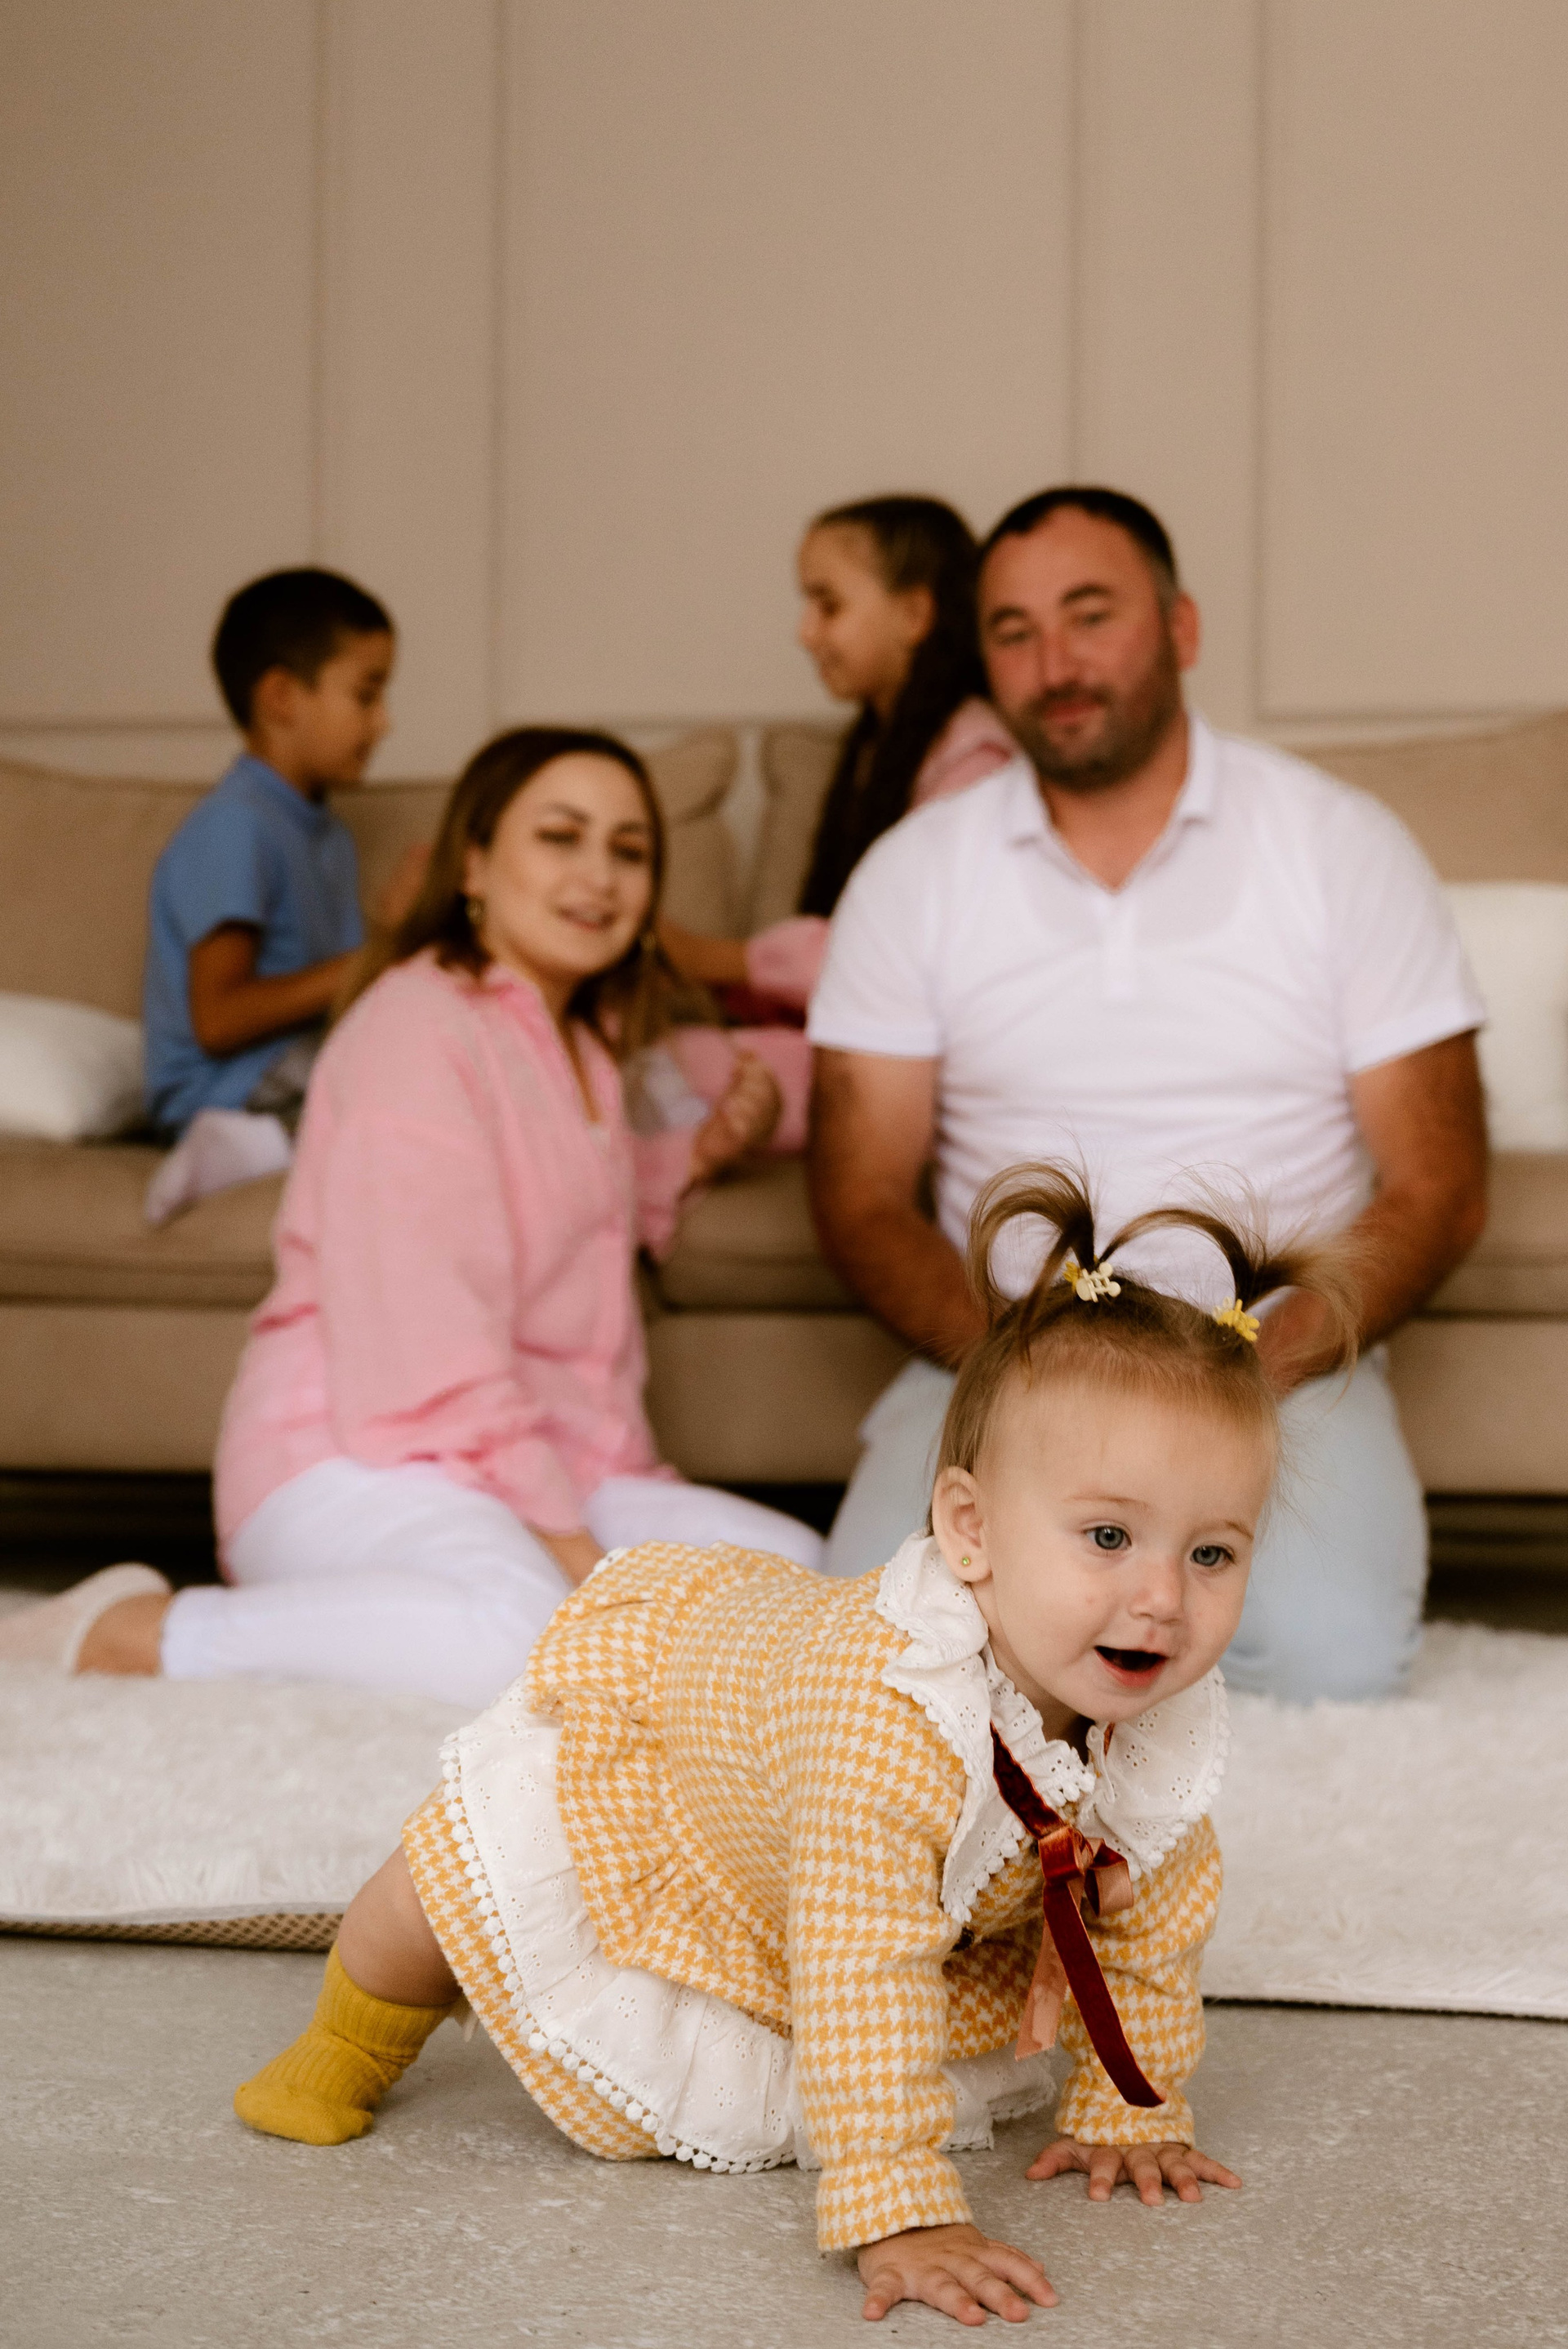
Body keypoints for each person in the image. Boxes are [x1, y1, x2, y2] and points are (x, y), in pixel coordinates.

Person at [229, 1166, 1356, 2324]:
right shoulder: (890, 1727)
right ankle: (347, 2034)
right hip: (698, 1746)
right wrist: (901, 2206)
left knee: (979, 1929)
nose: (1163, 1598)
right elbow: (863, 1961)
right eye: (1109, 1536)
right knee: (454, 1884)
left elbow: (1154, 1913)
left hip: (830, 1864)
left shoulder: (1147, 1720)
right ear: (970, 1529)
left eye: (1212, 1554)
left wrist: (1133, 2105)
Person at [807, 486, 1489, 1704]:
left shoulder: (1340, 842)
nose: (1055, 663)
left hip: (1272, 1353)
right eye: (1014, 632)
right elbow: (859, 1193)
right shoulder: (912, 875)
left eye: (1091, 615)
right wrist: (1024, 1368)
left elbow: (1440, 1182)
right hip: (1006, 1348)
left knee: (1332, 1659)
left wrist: (1245, 1376)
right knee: (871, 1657)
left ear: (1180, 627)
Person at [2, 729, 817, 1705]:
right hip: (360, 1455)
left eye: (629, 849)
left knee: (799, 1571)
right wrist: (579, 1561)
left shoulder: (585, 1045)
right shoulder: (416, 1024)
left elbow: (563, 1207)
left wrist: (699, 1155)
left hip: (552, 1459)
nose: (599, 875)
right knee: (525, 1636)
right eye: (561, 836)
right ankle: (141, 1631)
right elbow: (428, 1347)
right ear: (473, 864)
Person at [652, 497, 1014, 1153]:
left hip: (924, 1063)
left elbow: (909, 963)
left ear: (915, 614)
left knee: (669, 1069)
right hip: (861, 1039)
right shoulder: (876, 749)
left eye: (829, 604)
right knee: (648, 1058)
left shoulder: (975, 763)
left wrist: (712, 958)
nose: (805, 633)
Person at [141, 566, 421, 1224]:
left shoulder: (326, 832)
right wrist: (383, 952)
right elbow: (218, 1019)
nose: (383, 723)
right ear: (282, 697)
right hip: (223, 1087)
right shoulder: (236, 825)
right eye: (366, 695)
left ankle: (280, 1142)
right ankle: (237, 1147)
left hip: (290, 1068)